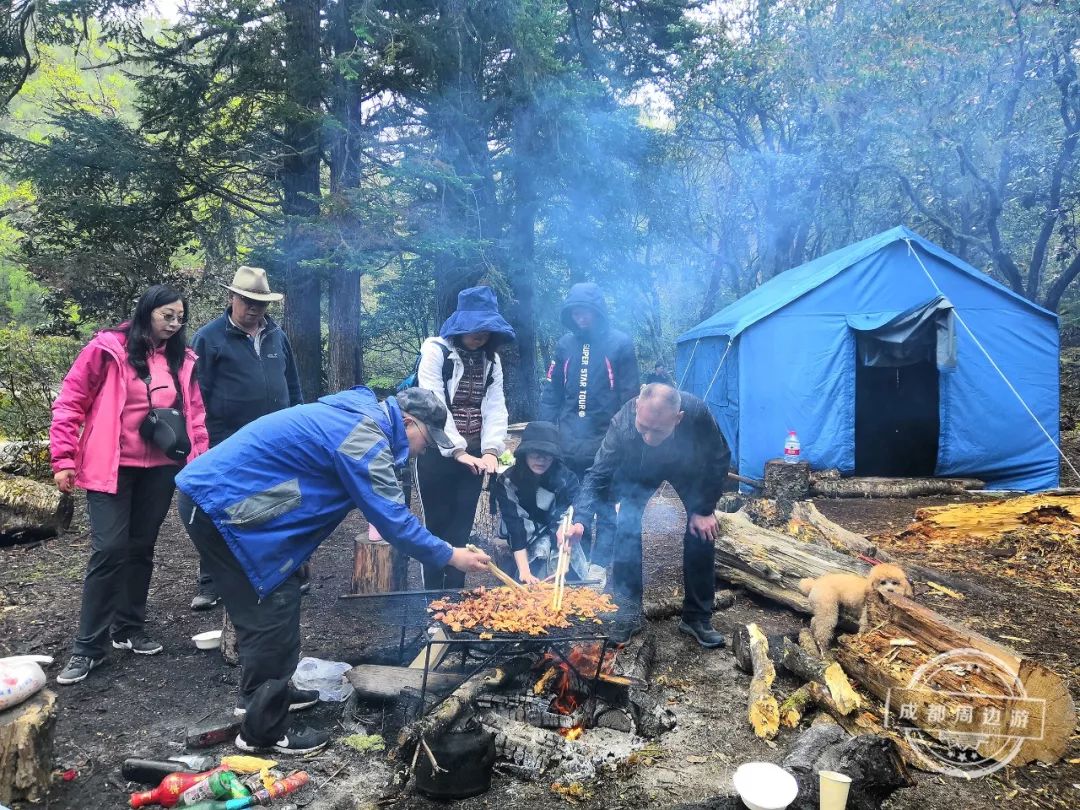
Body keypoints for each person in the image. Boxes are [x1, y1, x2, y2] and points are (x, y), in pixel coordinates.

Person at [175, 387, 491, 754]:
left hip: (231, 503)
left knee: (279, 597)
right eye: (426, 437)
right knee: (271, 612)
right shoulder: (365, 438)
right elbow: (393, 521)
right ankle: (262, 730)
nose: (426, 448)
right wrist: (450, 555)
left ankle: (267, 698)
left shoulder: (359, 418)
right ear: (406, 422)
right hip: (225, 507)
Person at [50, 285, 209, 685]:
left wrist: (200, 464)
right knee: (109, 549)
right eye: (166, 316)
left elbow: (195, 416)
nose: (174, 324)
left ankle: (129, 628)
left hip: (160, 468)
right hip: (111, 465)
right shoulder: (107, 349)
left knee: (141, 547)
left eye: (179, 317)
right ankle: (88, 647)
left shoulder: (182, 359)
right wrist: (63, 458)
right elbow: (70, 400)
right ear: (146, 312)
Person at [560, 383, 731, 648]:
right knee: (627, 529)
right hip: (639, 470)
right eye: (644, 428)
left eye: (658, 430)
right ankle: (628, 612)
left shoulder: (697, 413)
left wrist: (705, 510)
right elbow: (597, 474)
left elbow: (720, 457)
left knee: (701, 532)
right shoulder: (622, 423)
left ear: (678, 418)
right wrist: (581, 519)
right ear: (638, 407)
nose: (649, 438)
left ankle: (697, 617)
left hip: (689, 470)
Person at [188, 266, 303, 611]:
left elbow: (292, 384)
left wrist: (296, 424)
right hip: (228, 439)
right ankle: (211, 582)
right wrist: (205, 439)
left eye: (260, 303)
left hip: (276, 439)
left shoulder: (276, 336)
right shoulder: (210, 338)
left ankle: (275, 571)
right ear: (232, 298)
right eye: (247, 301)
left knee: (276, 503)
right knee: (221, 506)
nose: (253, 308)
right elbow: (196, 393)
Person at [415, 285, 515, 590]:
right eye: (475, 327)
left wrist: (491, 452)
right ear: (460, 325)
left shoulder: (491, 360)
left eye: (486, 329)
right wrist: (457, 451)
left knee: (461, 530)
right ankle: (433, 603)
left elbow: (496, 406)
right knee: (436, 528)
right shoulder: (436, 352)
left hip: (474, 458)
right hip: (434, 451)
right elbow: (433, 405)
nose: (480, 335)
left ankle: (454, 601)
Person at [539, 282, 638, 582]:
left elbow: (630, 397)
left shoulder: (620, 344)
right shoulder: (565, 345)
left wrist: (629, 440)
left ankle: (598, 565)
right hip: (568, 441)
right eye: (576, 312)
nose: (582, 318)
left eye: (587, 312)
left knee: (606, 507)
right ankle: (571, 563)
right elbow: (552, 392)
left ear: (598, 312)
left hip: (607, 442)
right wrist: (544, 434)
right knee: (569, 503)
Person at [493, 421, 587, 584]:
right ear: (524, 454)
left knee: (568, 581)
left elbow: (574, 510)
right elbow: (515, 526)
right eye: (534, 454)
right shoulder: (508, 480)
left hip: (554, 528)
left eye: (547, 455)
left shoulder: (566, 478)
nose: (541, 460)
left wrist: (568, 532)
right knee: (527, 580)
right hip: (522, 529)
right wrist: (524, 571)